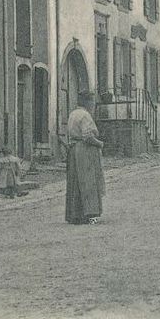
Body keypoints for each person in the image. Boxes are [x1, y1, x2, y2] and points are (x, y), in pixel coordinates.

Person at [65, 91, 106, 224]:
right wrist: (99, 144)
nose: (93, 104)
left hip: (74, 149)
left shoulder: (73, 114)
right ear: (88, 102)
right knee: (88, 180)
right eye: (92, 102)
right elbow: (87, 136)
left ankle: (75, 214)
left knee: (75, 181)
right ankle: (89, 213)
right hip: (85, 150)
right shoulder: (85, 115)